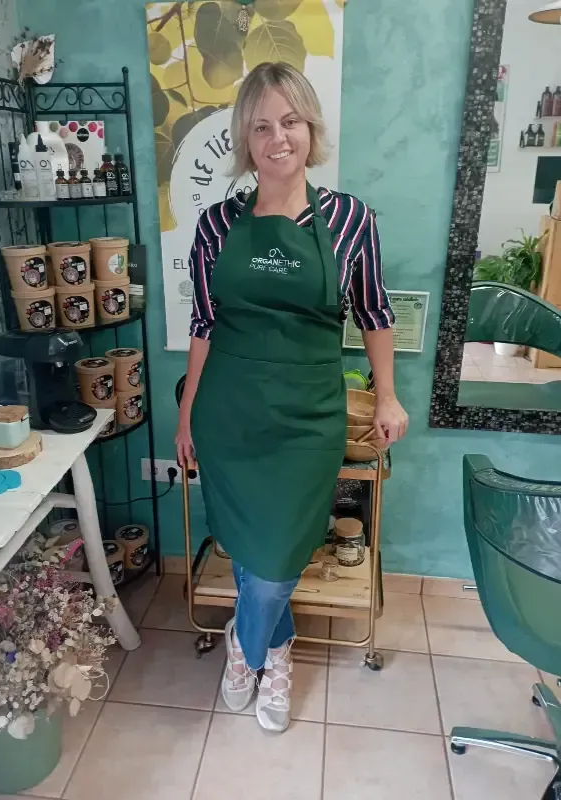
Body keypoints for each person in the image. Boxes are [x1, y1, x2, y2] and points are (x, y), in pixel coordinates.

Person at [176, 62, 408, 733]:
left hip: (308, 417)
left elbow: (374, 313)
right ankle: (274, 652)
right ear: (245, 140)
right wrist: (188, 414)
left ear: (311, 128)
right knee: (252, 557)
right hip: (229, 415)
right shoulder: (216, 225)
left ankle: (246, 646)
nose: (278, 137)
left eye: (290, 121)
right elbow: (203, 325)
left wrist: (386, 396)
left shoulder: (349, 220)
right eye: (261, 126)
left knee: (278, 561)